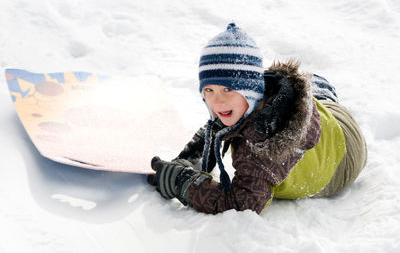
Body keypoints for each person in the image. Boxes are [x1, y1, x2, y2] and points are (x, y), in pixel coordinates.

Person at [147, 23, 368, 214]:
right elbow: (220, 123)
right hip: (331, 118)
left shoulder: (261, 149)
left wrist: (184, 183)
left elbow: (241, 204)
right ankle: (319, 89)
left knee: (310, 87)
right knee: (305, 84)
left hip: (343, 164)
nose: (217, 101)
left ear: (251, 89)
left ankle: (319, 90)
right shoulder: (258, 96)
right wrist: (192, 153)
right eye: (209, 90)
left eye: (227, 89)